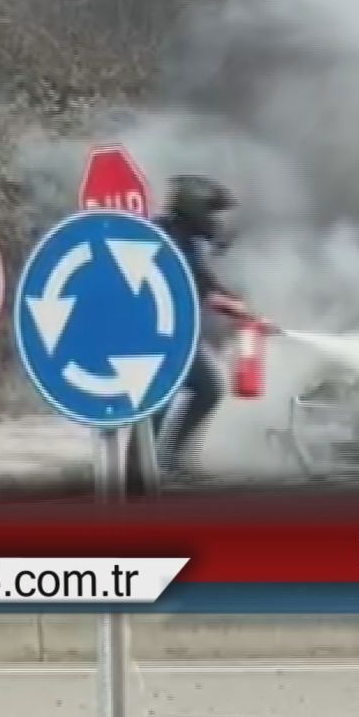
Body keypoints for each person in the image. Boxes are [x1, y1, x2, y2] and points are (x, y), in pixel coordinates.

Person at [128, 174, 253, 491]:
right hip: (156, 336)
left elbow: (204, 282)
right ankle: (140, 469)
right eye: (210, 212)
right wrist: (233, 305)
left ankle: (168, 461)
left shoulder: (182, 236)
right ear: (193, 209)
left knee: (206, 388)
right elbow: (199, 282)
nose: (214, 220)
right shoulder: (169, 238)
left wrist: (236, 305)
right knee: (164, 396)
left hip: (173, 335)